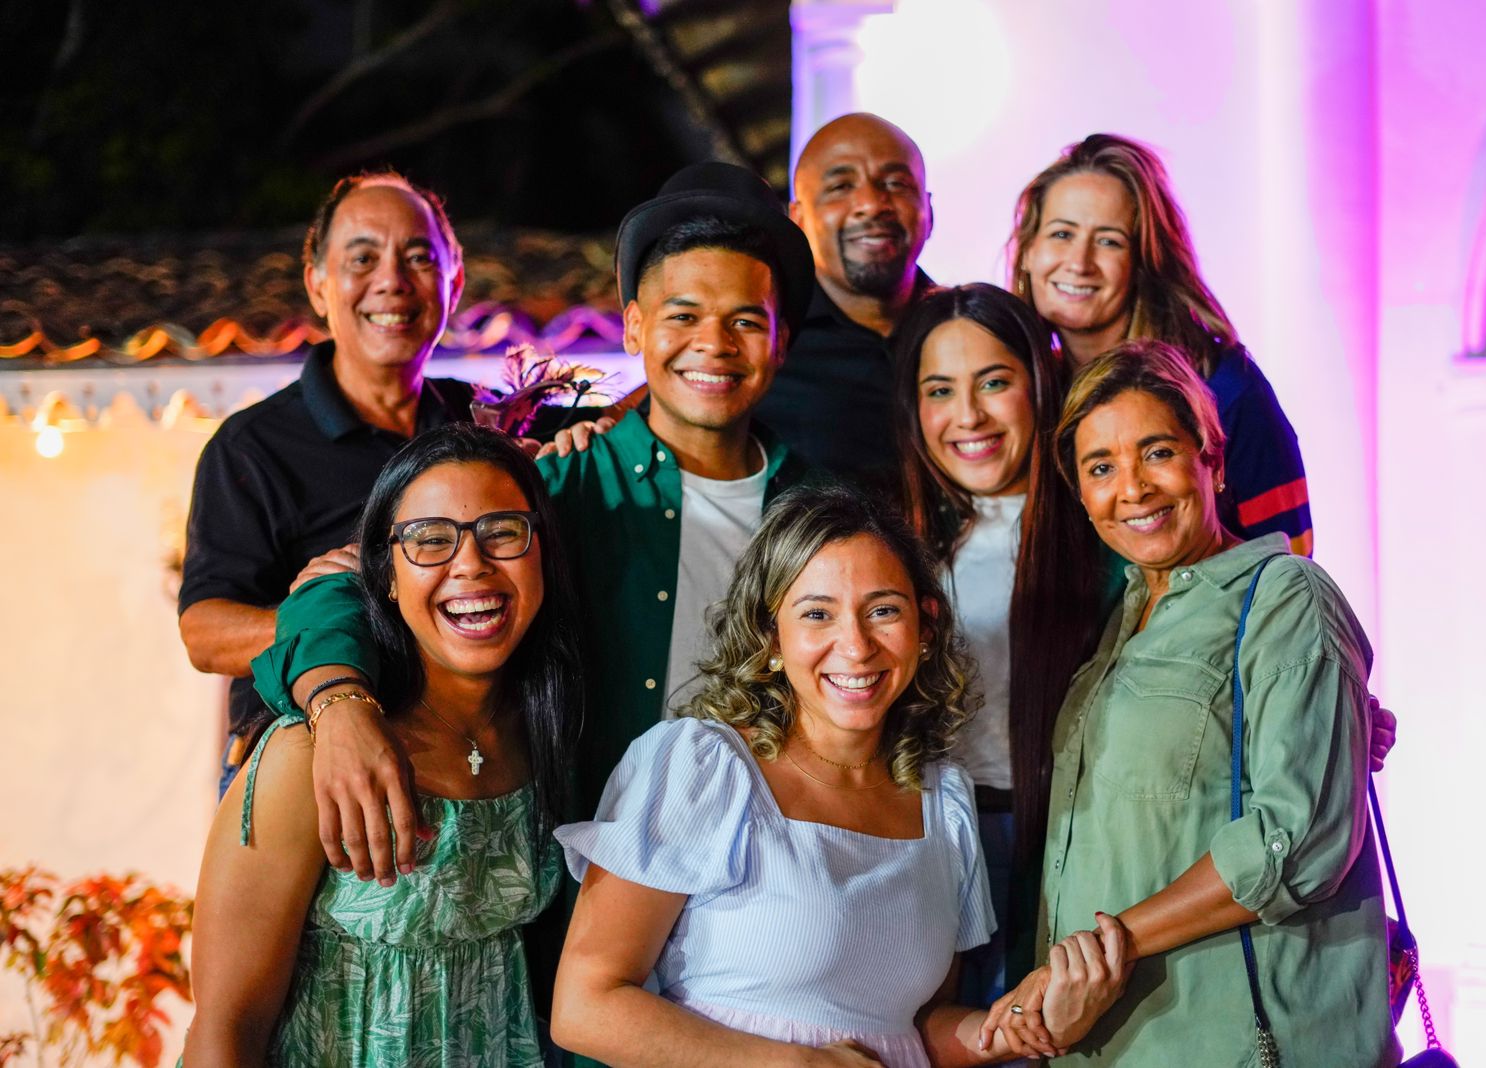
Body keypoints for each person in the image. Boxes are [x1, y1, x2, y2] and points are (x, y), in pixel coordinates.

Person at [251, 160, 814, 891]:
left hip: (767, 889)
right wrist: (340, 706)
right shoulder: (563, 483)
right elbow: (346, 586)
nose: (714, 344)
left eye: (746, 321)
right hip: (584, 893)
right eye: (682, 316)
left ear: (782, 343)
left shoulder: (815, 511)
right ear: (636, 327)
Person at [549, 483, 1127, 1068]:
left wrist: (1024, 1027)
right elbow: (586, 1007)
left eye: (882, 610)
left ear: (924, 627)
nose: (855, 645)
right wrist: (800, 1064)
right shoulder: (700, 766)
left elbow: (910, 1026)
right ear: (771, 635)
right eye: (817, 614)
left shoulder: (942, 798)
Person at [984, 341, 1397, 1066]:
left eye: (1157, 452)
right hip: (1115, 1042)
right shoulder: (1126, 616)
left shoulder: (1286, 595)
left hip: (1238, 1043)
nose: (1132, 488)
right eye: (1101, 467)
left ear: (1213, 459)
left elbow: (1297, 840)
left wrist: (1098, 954)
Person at [181, 423, 582, 1066]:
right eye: (430, 541)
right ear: (387, 577)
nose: (471, 564)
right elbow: (225, 1030)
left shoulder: (548, 732)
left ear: (543, 554)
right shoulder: (310, 753)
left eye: (502, 532)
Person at [178, 171, 471, 794]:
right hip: (303, 769)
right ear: (318, 285)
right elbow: (203, 633)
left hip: (461, 764)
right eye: (362, 258)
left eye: (419, 258)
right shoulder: (254, 446)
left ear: (454, 283)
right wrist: (337, 619)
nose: (392, 280)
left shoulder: (484, 427)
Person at [891, 283, 1104, 1006]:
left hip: (1073, 841)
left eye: (993, 383)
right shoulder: (899, 541)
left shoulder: (1102, 527)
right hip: (931, 840)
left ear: (1038, 385)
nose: (969, 415)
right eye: (940, 390)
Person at [1008, 134, 1314, 554]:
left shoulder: (1226, 386)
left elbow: (1289, 560)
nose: (1079, 262)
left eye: (1109, 241)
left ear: (1147, 257)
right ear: (1027, 251)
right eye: (1062, 234)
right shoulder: (1023, 395)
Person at [753, 112, 937, 481]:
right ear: (799, 220)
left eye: (896, 183)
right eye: (840, 187)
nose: (871, 203)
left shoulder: (970, 333)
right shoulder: (764, 346)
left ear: (928, 211)